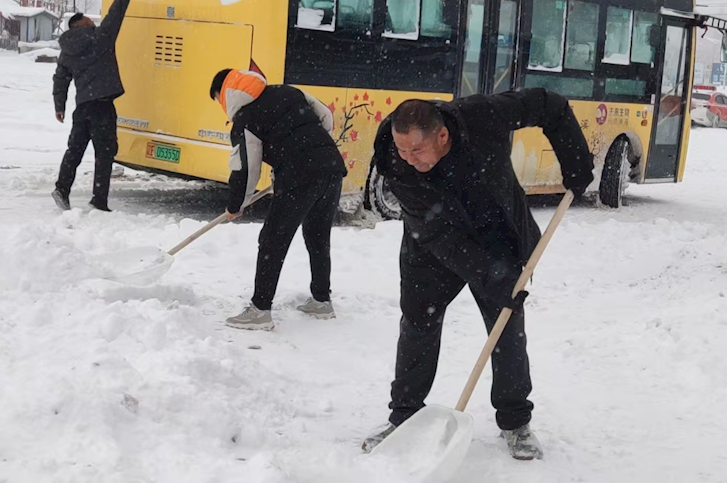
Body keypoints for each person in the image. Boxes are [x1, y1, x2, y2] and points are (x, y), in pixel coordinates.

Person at [361, 89, 594, 460]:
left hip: (498, 234)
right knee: (418, 325)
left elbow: (549, 105)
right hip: (433, 245)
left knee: (506, 328)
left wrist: (575, 158)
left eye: (416, 151)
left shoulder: (483, 115)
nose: (408, 159)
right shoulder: (395, 161)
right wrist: (488, 275)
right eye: (402, 150)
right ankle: (404, 416)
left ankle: (515, 420)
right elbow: (438, 234)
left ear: (441, 135)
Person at [210, 69, 347, 330]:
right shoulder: (287, 91)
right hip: (331, 166)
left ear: (225, 93)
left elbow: (246, 168)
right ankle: (321, 300)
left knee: (273, 239)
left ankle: (260, 310)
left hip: (300, 174)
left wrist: (235, 205)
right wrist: (311, 147)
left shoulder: (244, 118)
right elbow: (325, 116)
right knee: (317, 237)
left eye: (218, 99)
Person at [50, 0, 142, 212]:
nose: (93, 23)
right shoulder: (100, 37)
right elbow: (116, 12)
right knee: (105, 153)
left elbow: (60, 79)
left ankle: (62, 188)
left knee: (75, 150)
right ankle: (99, 200)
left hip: (82, 109)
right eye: (90, 21)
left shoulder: (67, 51)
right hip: (102, 106)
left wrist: (59, 106)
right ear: (82, 25)